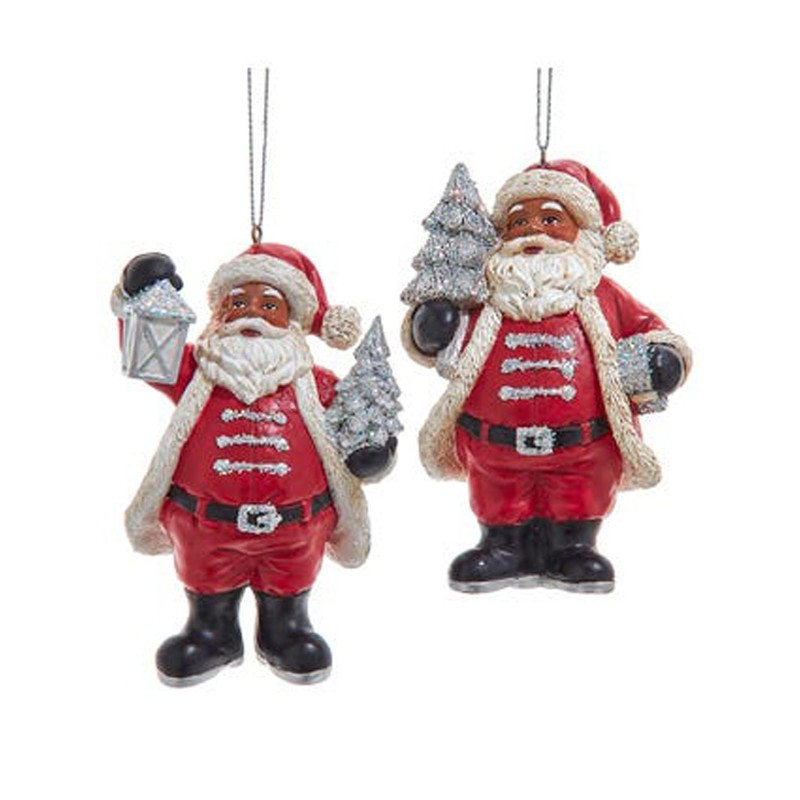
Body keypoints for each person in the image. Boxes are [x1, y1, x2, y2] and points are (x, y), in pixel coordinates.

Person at [113, 243, 395, 686]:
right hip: (205, 527)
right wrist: (140, 294)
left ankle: (285, 631)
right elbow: (151, 356)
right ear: (219, 315)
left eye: (269, 306)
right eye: (238, 303)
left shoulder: (317, 384)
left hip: (295, 529)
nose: (252, 315)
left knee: (289, 585)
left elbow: (358, 421)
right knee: (208, 585)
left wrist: (374, 453)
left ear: (292, 322)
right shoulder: (196, 374)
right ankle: (212, 634)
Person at [404, 160, 691, 594]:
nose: (533, 231)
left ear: (584, 234)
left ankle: (573, 546)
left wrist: (663, 357)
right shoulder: (487, 298)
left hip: (583, 446)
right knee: (498, 491)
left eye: (552, 220)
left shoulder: (603, 295)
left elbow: (651, 329)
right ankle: (501, 545)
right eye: (518, 222)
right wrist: (431, 328)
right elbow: (439, 344)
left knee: (579, 492)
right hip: (494, 445)